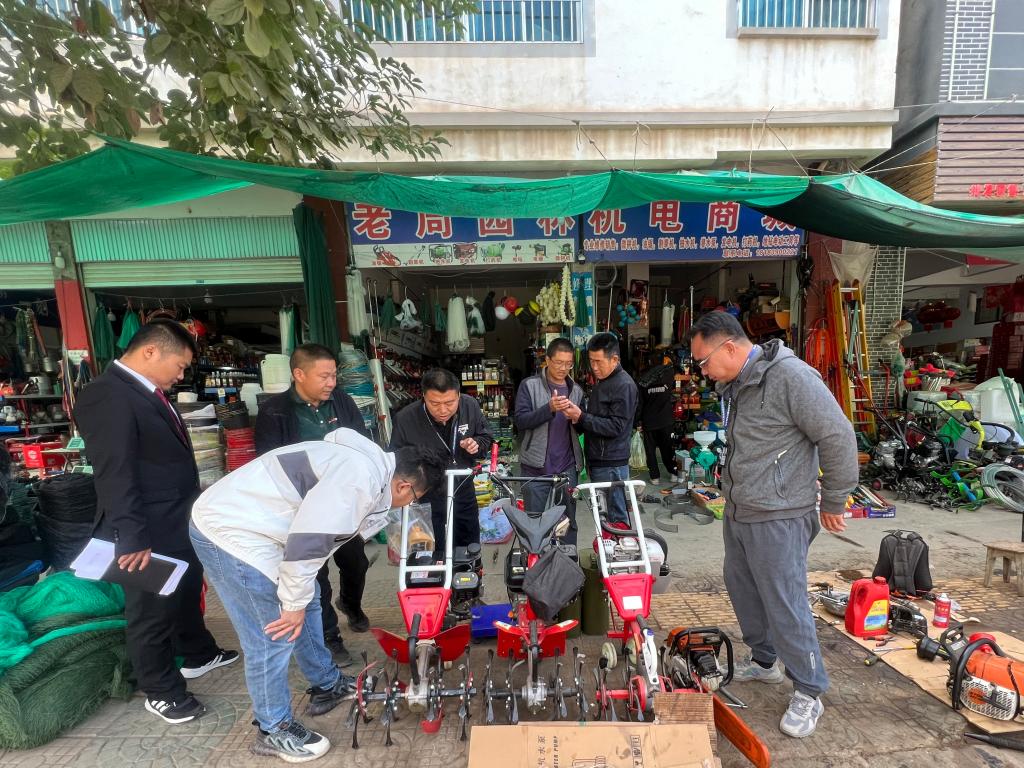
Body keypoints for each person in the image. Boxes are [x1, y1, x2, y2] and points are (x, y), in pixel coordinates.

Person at [191, 428, 446, 762]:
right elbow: (308, 544)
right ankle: (273, 728)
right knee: (272, 634)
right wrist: (291, 605)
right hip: (232, 533)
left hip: (262, 526)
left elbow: (321, 535)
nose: (408, 505)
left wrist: (298, 599)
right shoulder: (357, 482)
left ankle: (326, 684)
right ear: (403, 486)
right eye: (413, 499)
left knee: (307, 597)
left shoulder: (371, 467)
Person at [687, 312, 857, 739]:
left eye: (704, 361)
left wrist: (834, 498)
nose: (702, 371)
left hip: (780, 514)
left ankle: (809, 689)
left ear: (729, 347)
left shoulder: (791, 377)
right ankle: (765, 661)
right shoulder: (739, 383)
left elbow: (837, 435)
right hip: (741, 510)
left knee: (785, 601)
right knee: (744, 588)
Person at [74, 320, 237, 725]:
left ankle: (197, 652)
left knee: (185, 591)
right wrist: (131, 536)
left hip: (175, 518)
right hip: (144, 527)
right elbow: (115, 473)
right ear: (150, 352)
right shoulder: (107, 394)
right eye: (179, 366)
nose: (181, 376)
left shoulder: (146, 392)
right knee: (151, 611)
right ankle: (161, 690)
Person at [255, 343, 370, 666]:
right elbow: (269, 464)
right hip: (303, 509)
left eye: (334, 375)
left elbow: (361, 443)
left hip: (343, 503)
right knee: (315, 575)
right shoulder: (275, 412)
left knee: (356, 562)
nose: (331, 382)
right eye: (324, 376)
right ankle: (331, 638)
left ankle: (351, 603)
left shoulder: (342, 402)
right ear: (299, 374)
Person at [389, 368, 493, 548]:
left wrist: (476, 444)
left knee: (469, 544)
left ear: (458, 395)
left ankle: (470, 565)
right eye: (435, 403)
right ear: (423, 396)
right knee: (433, 547)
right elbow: (396, 460)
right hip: (426, 494)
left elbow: (486, 437)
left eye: (450, 403)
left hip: (463, 487)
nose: (443, 410)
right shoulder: (405, 419)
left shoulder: (470, 406)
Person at [557, 333, 637, 524]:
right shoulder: (605, 381)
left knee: (615, 517)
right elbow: (598, 418)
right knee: (604, 514)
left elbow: (616, 427)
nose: (594, 367)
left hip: (611, 463)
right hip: (600, 460)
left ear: (614, 359)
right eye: (591, 361)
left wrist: (581, 416)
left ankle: (621, 543)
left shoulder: (624, 385)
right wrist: (577, 416)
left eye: (598, 361)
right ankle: (609, 544)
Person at [513, 337, 584, 542]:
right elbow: (520, 421)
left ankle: (567, 560)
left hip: (567, 468)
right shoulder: (529, 386)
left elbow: (580, 428)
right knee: (534, 524)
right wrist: (549, 409)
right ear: (547, 360)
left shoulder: (576, 391)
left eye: (568, 364)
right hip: (535, 468)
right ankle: (537, 561)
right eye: (559, 362)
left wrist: (577, 418)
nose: (563, 368)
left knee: (567, 523)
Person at [636, 353, 679, 485]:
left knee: (650, 451)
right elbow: (674, 368)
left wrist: (637, 422)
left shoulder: (642, 380)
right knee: (668, 448)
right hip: (666, 420)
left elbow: (639, 404)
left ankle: (655, 477)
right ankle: (673, 473)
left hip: (649, 421)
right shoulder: (668, 375)